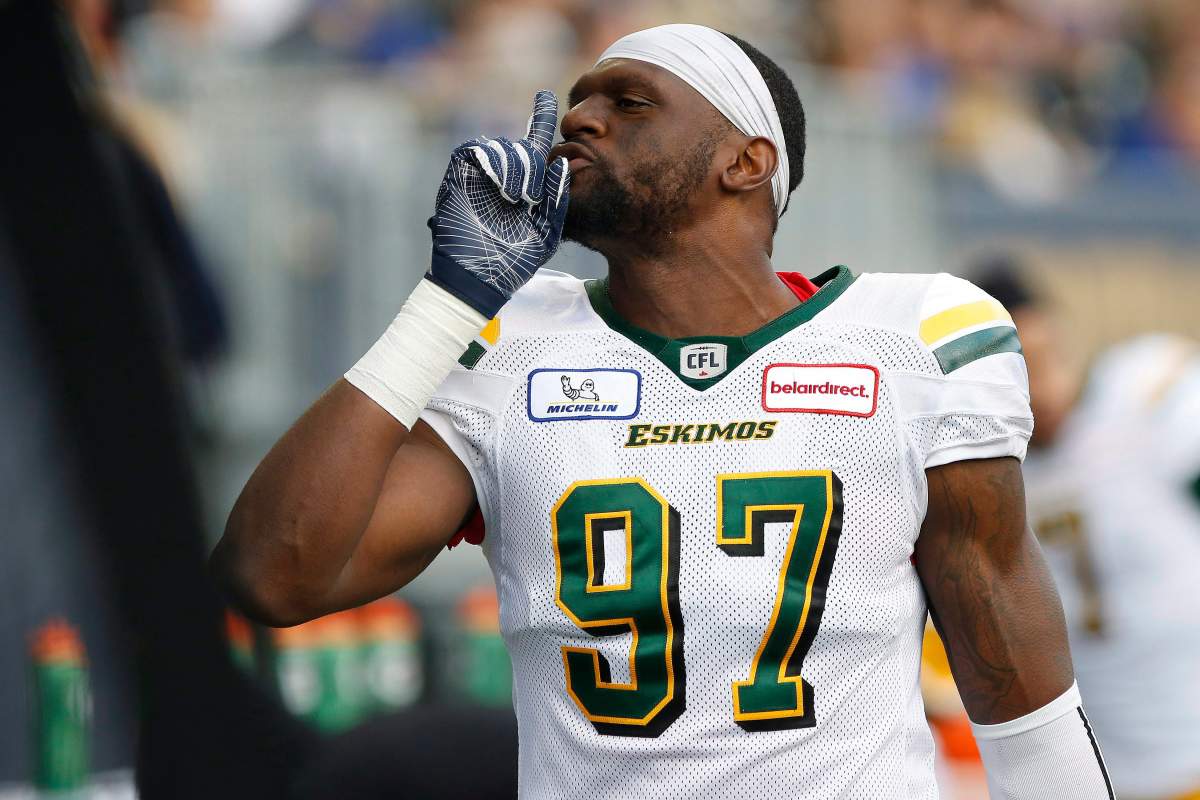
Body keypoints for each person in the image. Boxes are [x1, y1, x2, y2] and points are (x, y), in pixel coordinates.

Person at [212, 24, 1113, 799]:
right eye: (577, 100)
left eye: (629, 102)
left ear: (746, 159)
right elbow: (273, 575)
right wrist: (445, 303)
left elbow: (1015, 683)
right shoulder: (514, 345)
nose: (578, 120)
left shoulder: (915, 336)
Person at [976, 258, 1200, 800]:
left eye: (1043, 358)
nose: (1042, 387)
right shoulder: (984, 471)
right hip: (1103, 768)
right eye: (1019, 369)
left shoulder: (1144, 396)